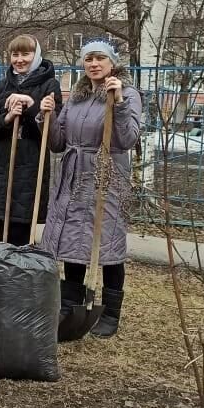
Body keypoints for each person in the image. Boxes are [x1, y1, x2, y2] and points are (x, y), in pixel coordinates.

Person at [41, 39, 142, 338]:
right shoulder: (77, 96)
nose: (94, 64)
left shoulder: (128, 92)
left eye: (100, 58)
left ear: (112, 63)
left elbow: (127, 140)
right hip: (73, 174)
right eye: (88, 59)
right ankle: (70, 303)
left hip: (106, 175)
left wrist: (120, 103)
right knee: (73, 238)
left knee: (106, 241)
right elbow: (58, 144)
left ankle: (110, 311)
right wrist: (47, 115)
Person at [0, 34, 63, 245]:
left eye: (26, 54)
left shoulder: (50, 85)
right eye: (15, 54)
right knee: (3, 233)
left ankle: (22, 276)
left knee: (21, 235)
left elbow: (51, 131)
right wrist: (7, 117)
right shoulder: (2, 86)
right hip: (1, 166)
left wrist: (31, 104)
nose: (19, 59)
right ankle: (3, 276)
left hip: (30, 166)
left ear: (36, 55)